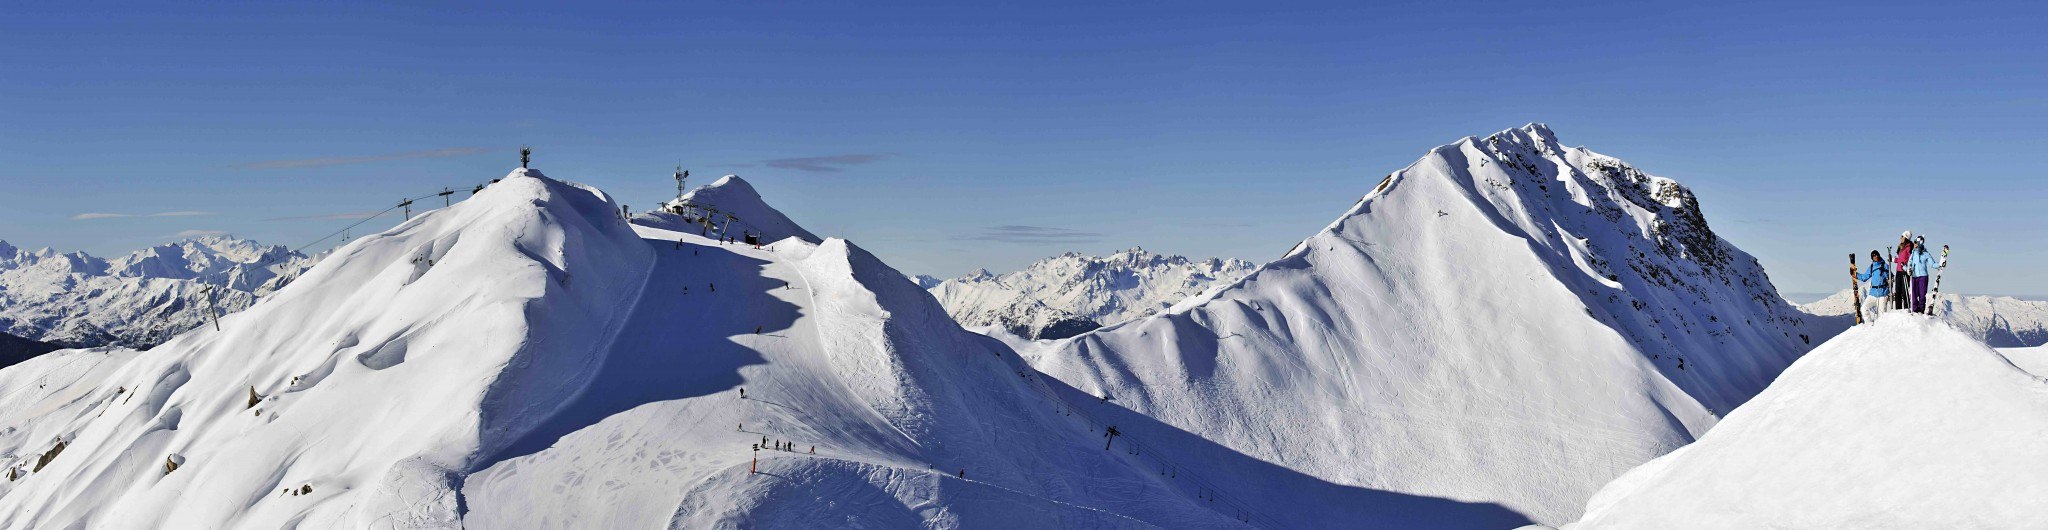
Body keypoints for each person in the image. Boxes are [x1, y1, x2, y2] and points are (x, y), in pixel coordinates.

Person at [1856, 250, 1890, 318]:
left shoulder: (1885, 265)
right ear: (1872, 258)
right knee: (1863, 308)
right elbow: (1864, 277)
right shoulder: (1872, 267)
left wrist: (1888, 278)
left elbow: (1890, 276)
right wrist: (1855, 274)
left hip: (1883, 294)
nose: (1875, 256)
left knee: (1882, 316)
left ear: (1879, 255)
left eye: (1876, 255)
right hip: (1873, 294)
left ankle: (1881, 325)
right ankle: (1868, 323)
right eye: (1873, 256)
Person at [1909, 236, 1937, 314]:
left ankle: (1921, 310)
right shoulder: (1913, 253)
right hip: (1914, 276)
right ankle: (1914, 310)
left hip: (1923, 276)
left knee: (1922, 295)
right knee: (1913, 295)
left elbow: (1932, 264)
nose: (1914, 244)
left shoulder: (1925, 254)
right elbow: (1909, 263)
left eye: (1915, 242)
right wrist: (1909, 269)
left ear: (1919, 243)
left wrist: (1940, 265)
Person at [1892, 232, 1914, 310]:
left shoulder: (1909, 247)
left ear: (1906, 238)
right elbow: (1900, 259)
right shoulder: (1902, 247)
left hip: (1905, 271)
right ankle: (1898, 309)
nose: (1900, 238)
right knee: (1897, 291)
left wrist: (1907, 267)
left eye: (1902, 236)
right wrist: (1893, 259)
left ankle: (1906, 308)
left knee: (1904, 291)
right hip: (1898, 271)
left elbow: (1910, 260)